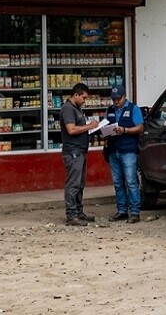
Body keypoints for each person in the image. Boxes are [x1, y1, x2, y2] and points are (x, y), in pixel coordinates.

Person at [60, 83, 100, 227]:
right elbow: (71, 129)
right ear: (75, 95)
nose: (84, 100)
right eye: (83, 97)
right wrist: (90, 126)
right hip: (73, 152)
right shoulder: (68, 109)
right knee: (73, 184)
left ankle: (78, 212)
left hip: (80, 151)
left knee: (80, 184)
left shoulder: (76, 108)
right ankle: (71, 215)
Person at [105, 85, 144, 224]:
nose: (116, 101)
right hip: (113, 150)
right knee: (117, 182)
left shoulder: (134, 109)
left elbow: (140, 127)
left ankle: (135, 212)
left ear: (124, 96)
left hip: (128, 151)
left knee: (131, 181)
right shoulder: (109, 110)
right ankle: (121, 211)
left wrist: (125, 130)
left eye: (118, 99)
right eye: (113, 99)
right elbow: (105, 125)